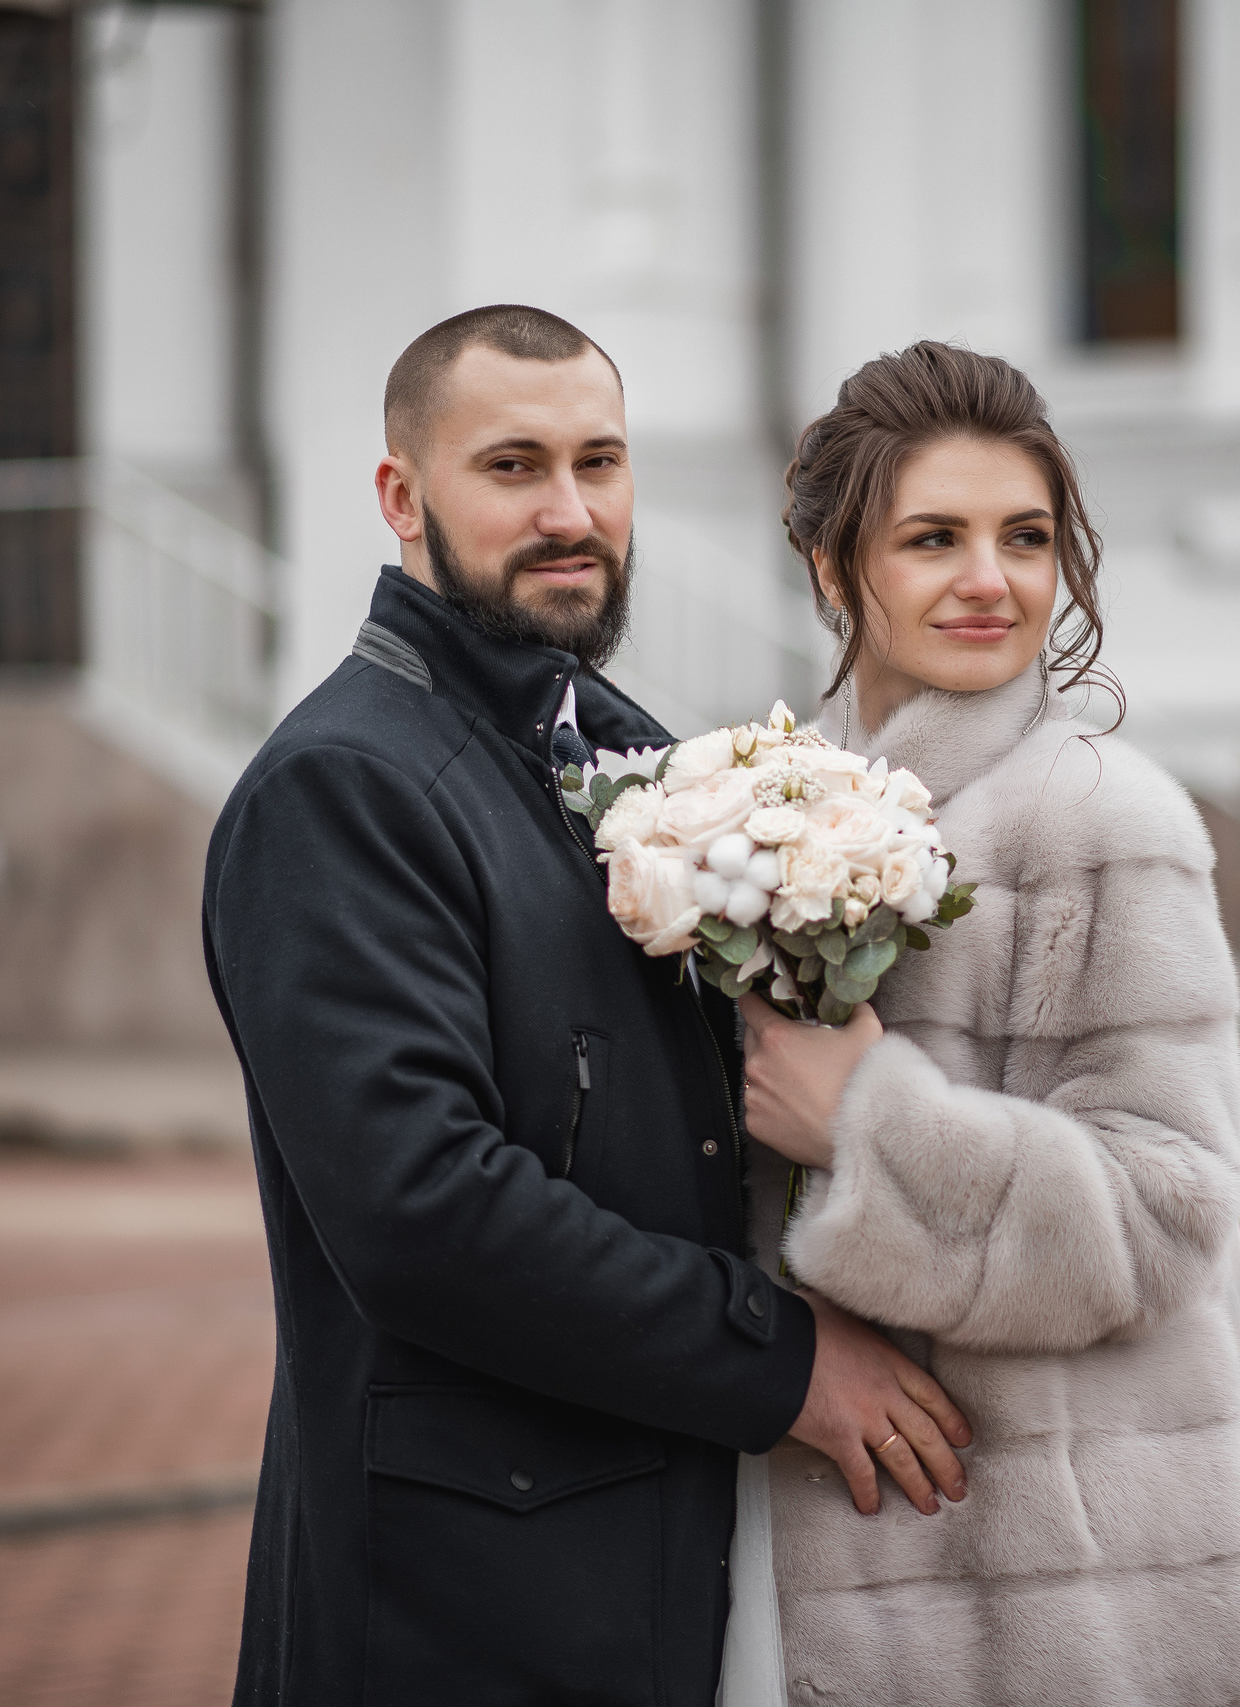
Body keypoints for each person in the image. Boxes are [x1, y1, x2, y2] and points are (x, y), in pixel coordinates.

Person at [201, 306, 971, 1706]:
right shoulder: (342, 789)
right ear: (402, 497)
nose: (572, 513)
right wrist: (781, 1359)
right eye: (511, 468)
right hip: (462, 1613)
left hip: (660, 1561)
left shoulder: (640, 757)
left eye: (600, 463)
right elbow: (425, 1215)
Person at [730, 342, 1240, 1706]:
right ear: (831, 568)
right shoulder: (759, 812)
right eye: (934, 538)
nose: (991, 580)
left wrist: (870, 1126)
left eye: (1026, 537)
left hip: (1054, 1566)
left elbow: (1169, 1212)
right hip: (824, 1518)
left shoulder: (1105, 821)